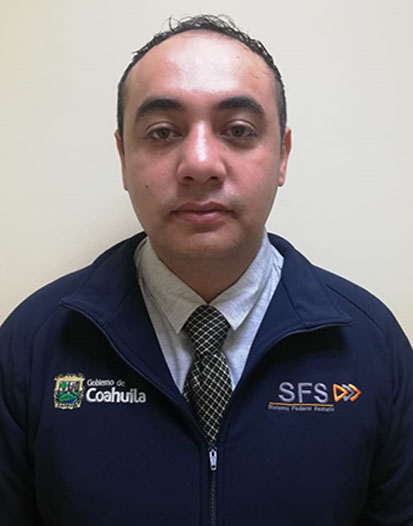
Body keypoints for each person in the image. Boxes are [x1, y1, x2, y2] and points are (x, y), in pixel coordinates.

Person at [0, 14, 412, 526]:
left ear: (282, 156)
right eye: (162, 132)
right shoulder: (33, 343)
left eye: (238, 131)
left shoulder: (372, 346)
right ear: (124, 156)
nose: (199, 163)